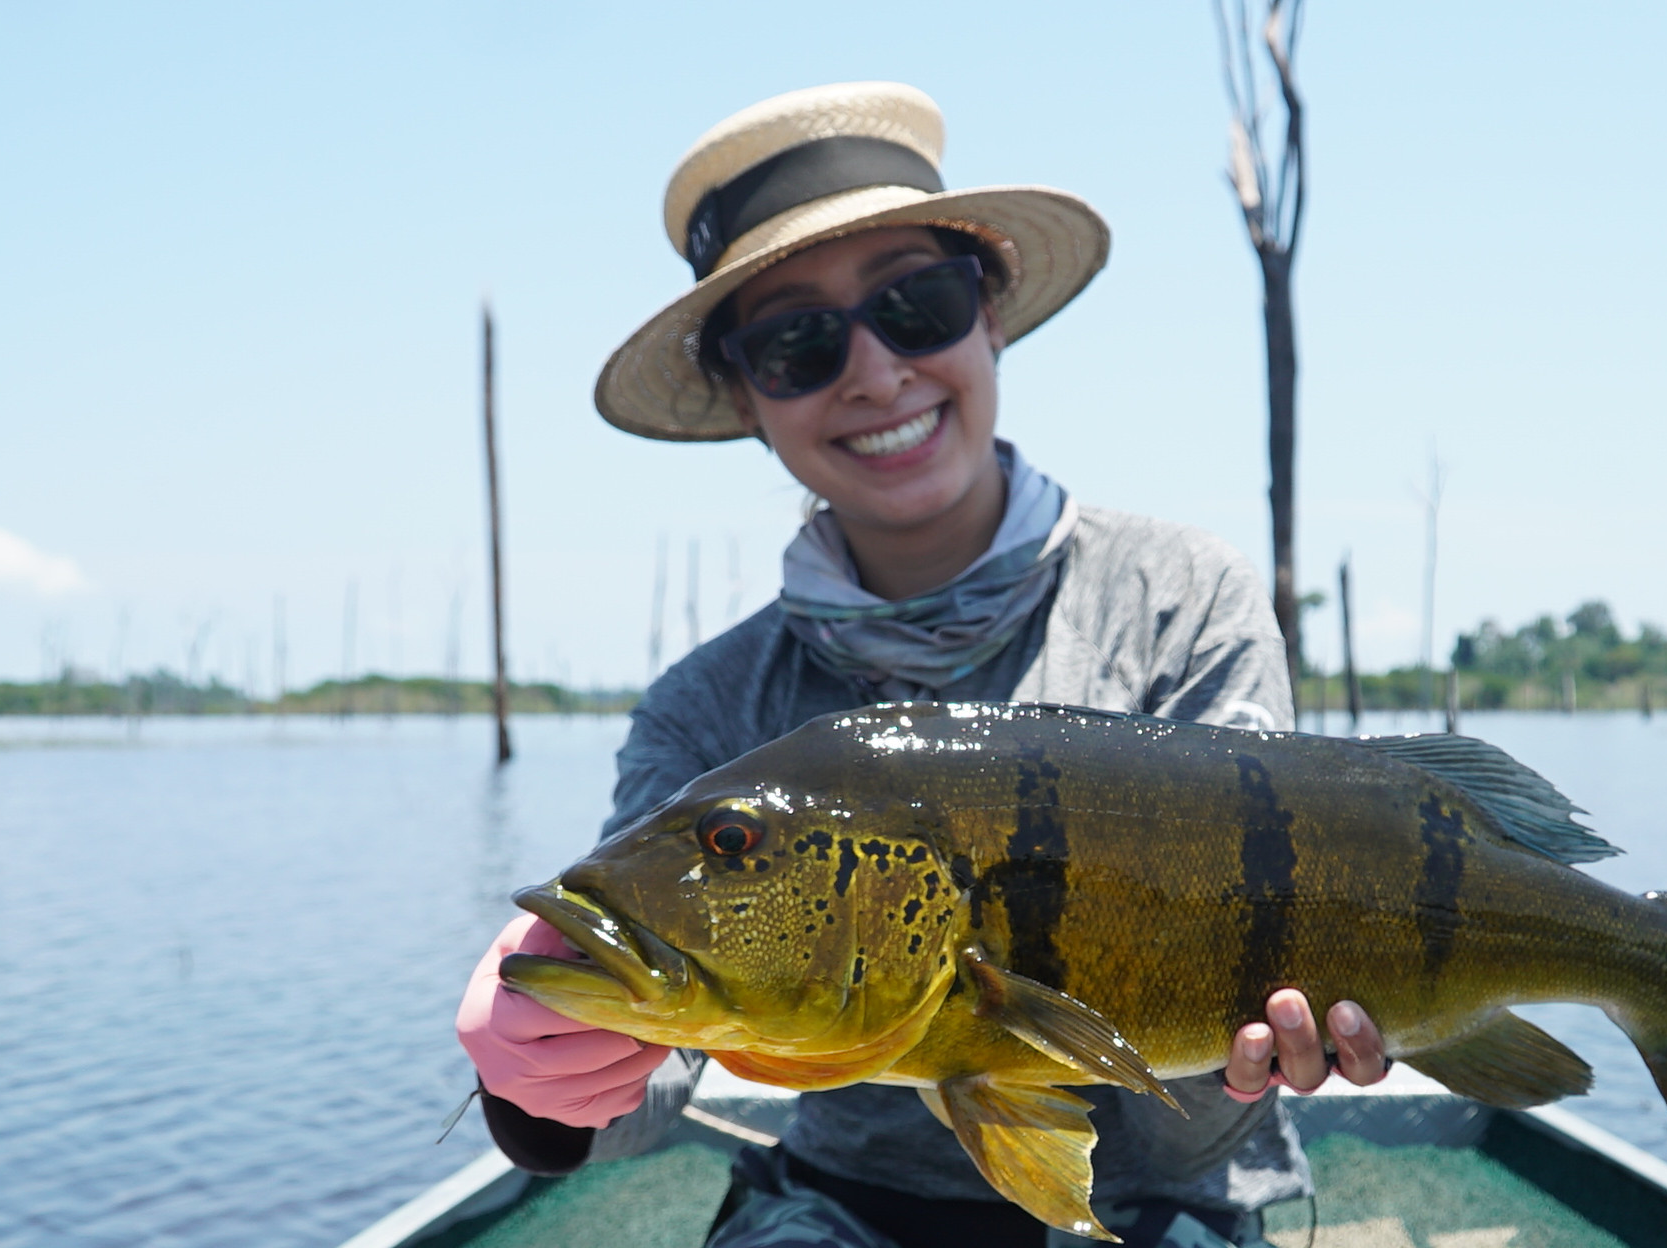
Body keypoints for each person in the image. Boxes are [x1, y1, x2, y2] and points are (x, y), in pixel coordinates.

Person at [455, 82, 1389, 1248]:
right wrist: (537, 1089)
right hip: (843, 1210)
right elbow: (651, 1089)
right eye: (797, 341)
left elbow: (1229, 1023)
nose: (874, 371)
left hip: (1169, 1200)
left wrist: (1273, 1050)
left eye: (918, 303)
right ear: (745, 393)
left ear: (988, 313)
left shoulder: (1181, 602)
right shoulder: (707, 713)